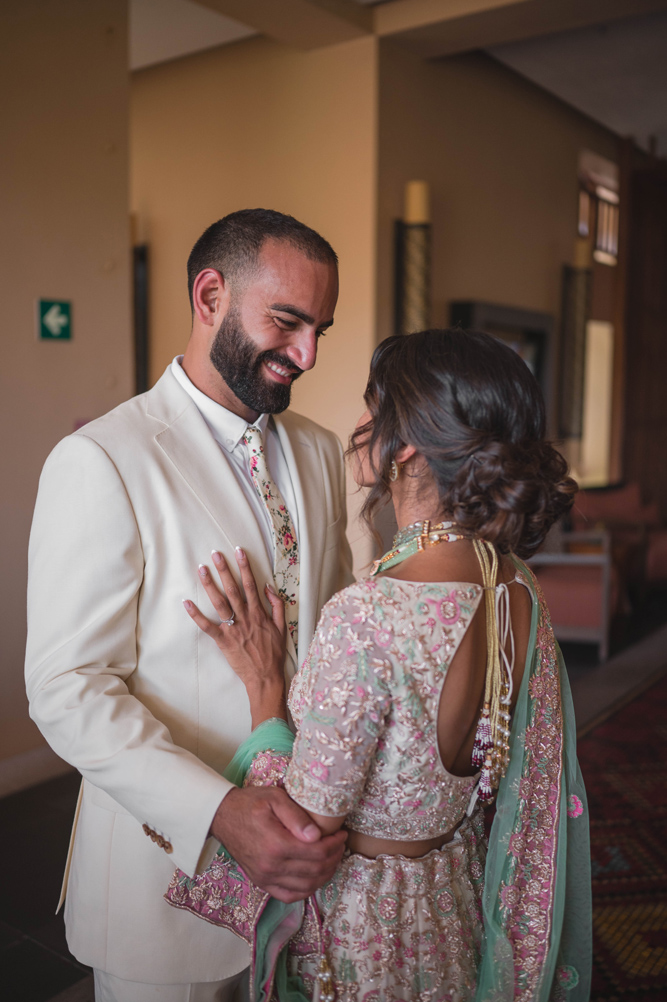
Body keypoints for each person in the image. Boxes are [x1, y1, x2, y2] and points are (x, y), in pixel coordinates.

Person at [170, 329, 592, 1002]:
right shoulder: (515, 591)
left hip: (360, 936)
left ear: (411, 444)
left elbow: (302, 828)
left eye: (373, 409)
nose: (358, 426)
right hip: (449, 907)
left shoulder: (369, 613)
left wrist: (264, 692)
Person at [24, 209, 353, 1001]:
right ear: (209, 296)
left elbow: (334, 629)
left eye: (320, 329)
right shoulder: (103, 457)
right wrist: (220, 813)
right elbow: (68, 688)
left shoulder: (315, 449)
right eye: (287, 322)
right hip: (160, 879)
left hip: (306, 871)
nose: (306, 354)